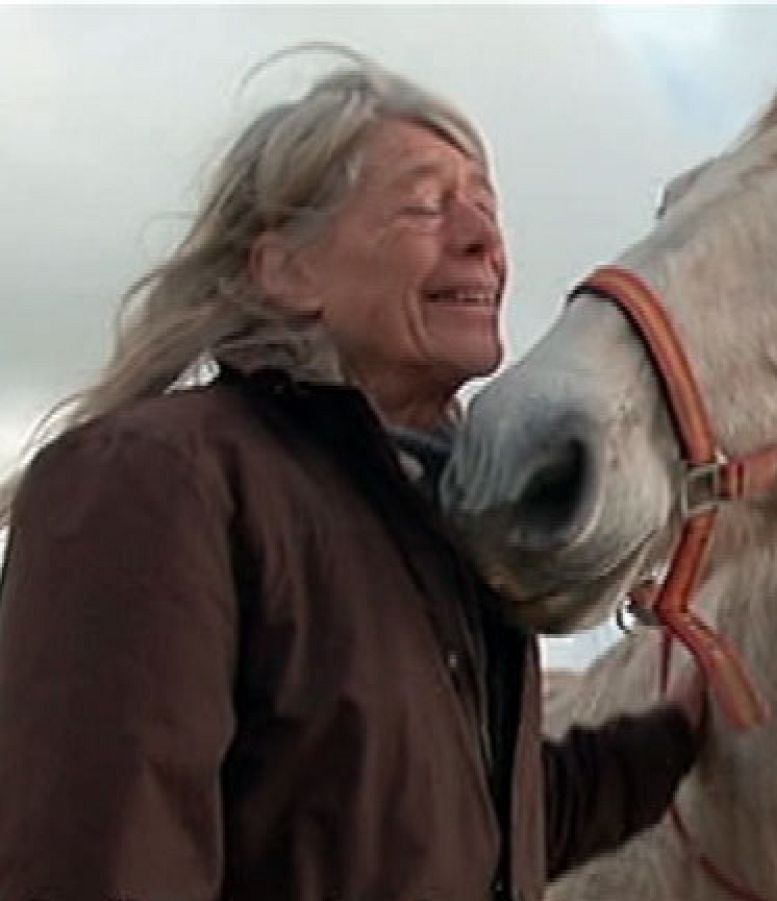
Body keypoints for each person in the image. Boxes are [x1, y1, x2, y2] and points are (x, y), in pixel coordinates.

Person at [0, 46, 703, 900]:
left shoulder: (445, 531)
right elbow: (104, 860)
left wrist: (681, 732)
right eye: (425, 207)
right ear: (286, 270)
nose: (485, 239)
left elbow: (482, 824)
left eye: (487, 207)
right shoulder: (156, 480)